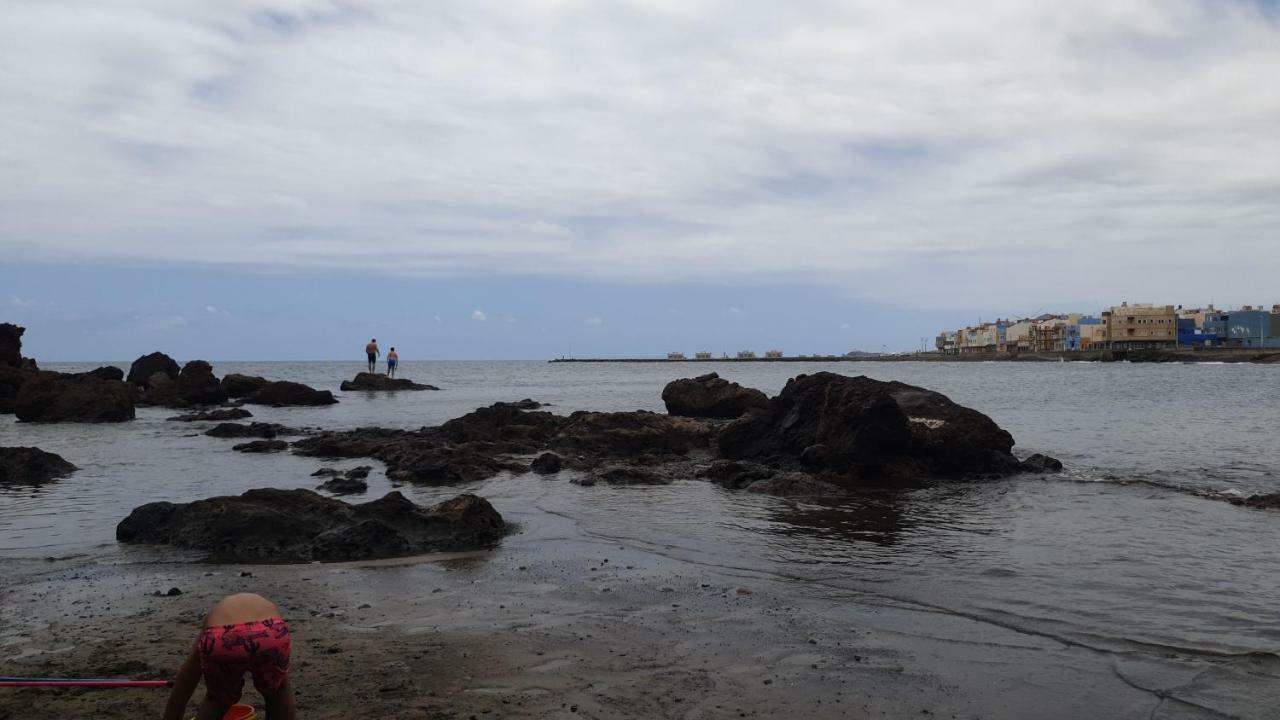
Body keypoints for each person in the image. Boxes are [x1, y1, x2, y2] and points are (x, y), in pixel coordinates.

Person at [163, 593, 295, 720]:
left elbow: (188, 675)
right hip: (271, 630)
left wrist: (172, 716)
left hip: (220, 636)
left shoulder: (214, 619)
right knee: (278, 689)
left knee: (216, 699)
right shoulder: (262, 604)